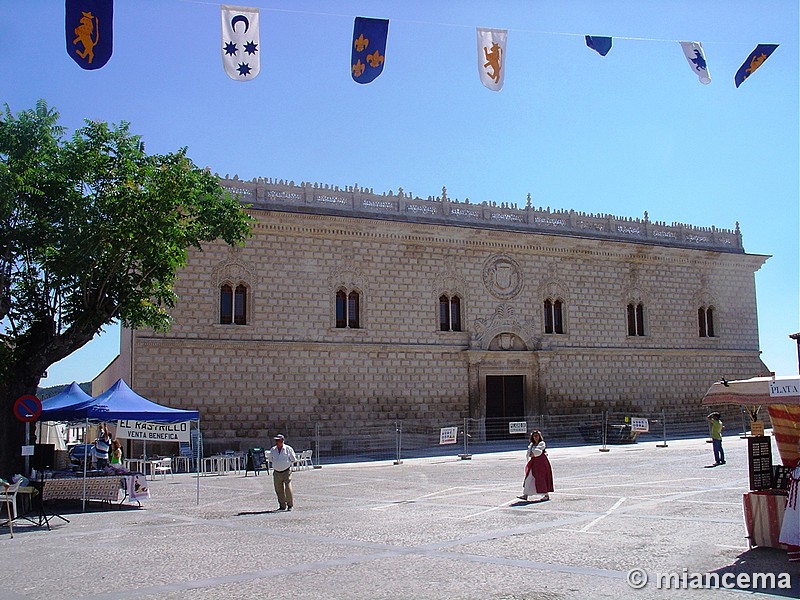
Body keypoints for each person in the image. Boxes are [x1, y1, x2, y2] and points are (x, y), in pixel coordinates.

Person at [519, 430, 554, 502]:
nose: (535, 437)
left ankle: (546, 494)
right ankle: (525, 494)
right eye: (534, 436)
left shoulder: (542, 443)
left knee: (541, 477)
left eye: (537, 436)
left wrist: (533, 454)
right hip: (534, 462)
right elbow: (529, 452)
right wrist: (530, 454)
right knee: (529, 477)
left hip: (541, 462)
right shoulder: (531, 445)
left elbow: (538, 451)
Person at [268, 434, 297, 511]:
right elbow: (270, 459)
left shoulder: (288, 449)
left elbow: (293, 459)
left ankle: (290, 505)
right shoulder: (273, 450)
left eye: (278, 440)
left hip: (286, 471)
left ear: (282, 441)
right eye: (276, 441)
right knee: (278, 489)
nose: (277, 442)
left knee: (288, 488)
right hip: (277, 472)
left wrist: (286, 464)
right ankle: (282, 505)